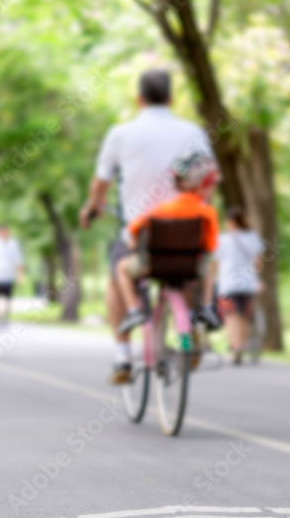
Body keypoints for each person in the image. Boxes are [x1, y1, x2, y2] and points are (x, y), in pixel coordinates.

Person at [80, 68, 217, 384]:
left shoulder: (120, 134)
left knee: (118, 272)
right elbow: (211, 178)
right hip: (188, 236)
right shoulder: (194, 133)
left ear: (139, 98)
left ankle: (123, 357)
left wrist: (92, 208)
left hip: (142, 237)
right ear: (171, 98)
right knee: (193, 271)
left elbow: (100, 185)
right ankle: (190, 335)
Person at [114, 151, 221, 333]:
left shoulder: (161, 210)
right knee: (210, 267)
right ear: (202, 187)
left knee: (122, 268)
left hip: (154, 266)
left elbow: (133, 229)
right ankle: (206, 308)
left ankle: (133, 310)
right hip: (191, 268)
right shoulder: (207, 213)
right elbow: (211, 246)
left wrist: (133, 244)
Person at [215, 206, 265, 365]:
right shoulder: (253, 238)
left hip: (228, 283)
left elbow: (216, 262)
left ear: (229, 222)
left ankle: (236, 346)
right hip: (248, 284)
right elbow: (258, 264)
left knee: (231, 316)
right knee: (244, 316)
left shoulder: (223, 239)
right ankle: (242, 345)